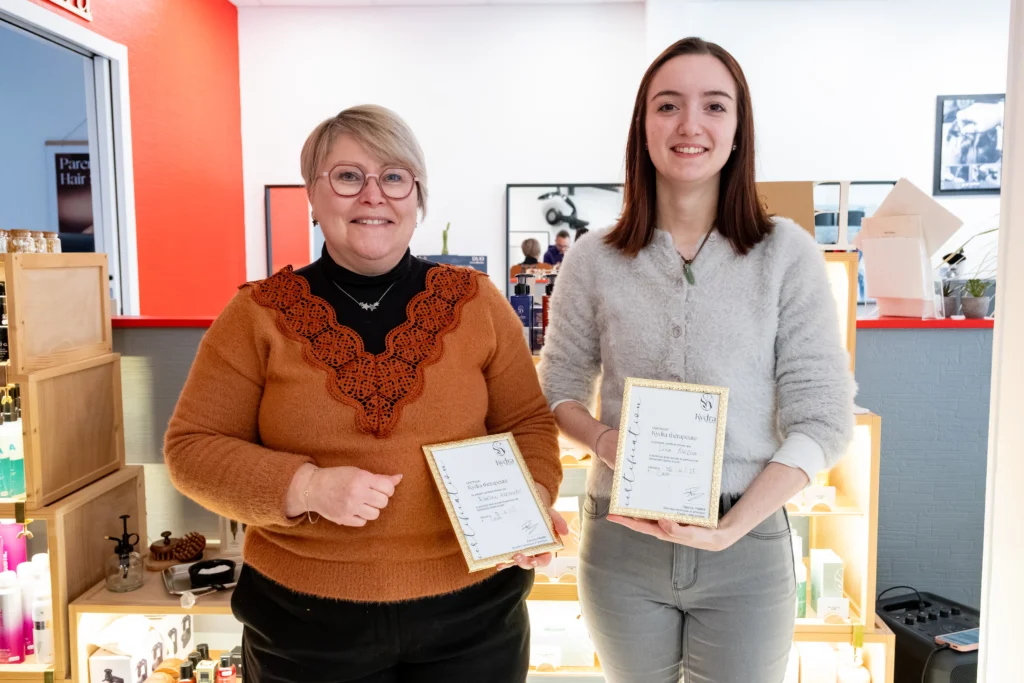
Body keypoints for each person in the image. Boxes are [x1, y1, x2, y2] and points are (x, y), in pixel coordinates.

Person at [164, 104, 565, 683]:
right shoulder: (255, 316)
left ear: (417, 195)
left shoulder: (477, 303)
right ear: (313, 194)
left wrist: (529, 503)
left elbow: (528, 422)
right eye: (348, 176)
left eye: (394, 176)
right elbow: (192, 449)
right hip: (305, 627)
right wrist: (305, 486)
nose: (374, 195)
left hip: (476, 618)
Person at [538, 38, 855, 683]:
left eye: (714, 106)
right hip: (621, 541)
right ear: (642, 127)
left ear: (738, 130)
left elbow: (824, 421)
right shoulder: (593, 259)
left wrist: (732, 527)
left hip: (748, 538)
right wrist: (605, 441)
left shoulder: (785, 255)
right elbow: (559, 390)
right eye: (668, 106)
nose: (690, 125)